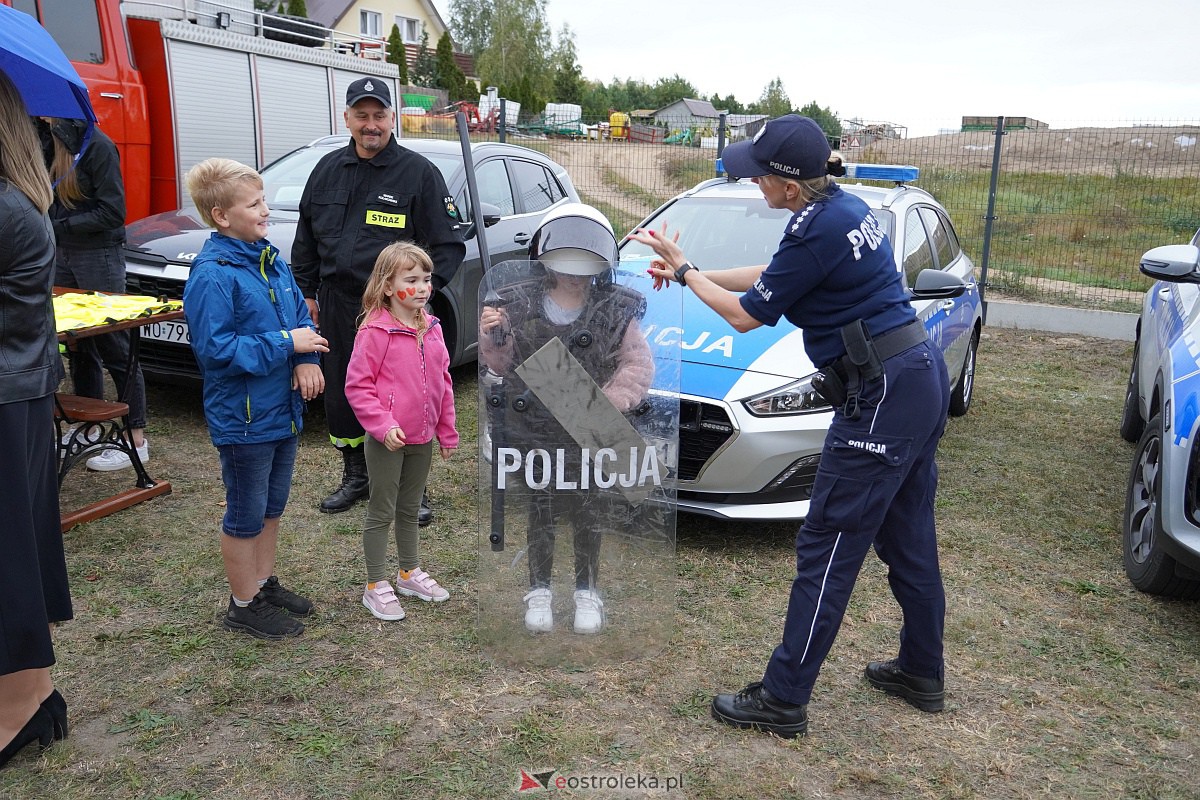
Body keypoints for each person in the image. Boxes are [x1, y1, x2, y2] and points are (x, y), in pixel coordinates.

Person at [629, 115, 951, 738]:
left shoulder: (816, 224)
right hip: (915, 377)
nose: (754, 184)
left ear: (790, 185)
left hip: (883, 393)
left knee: (827, 546)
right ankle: (921, 670)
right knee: (908, 535)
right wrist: (693, 270)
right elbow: (771, 275)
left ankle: (783, 698)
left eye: (760, 176)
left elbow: (746, 316)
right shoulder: (840, 209)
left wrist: (688, 276)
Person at [292, 76, 465, 520]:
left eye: (379, 115)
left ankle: (409, 486)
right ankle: (357, 475)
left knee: (401, 395)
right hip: (337, 304)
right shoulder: (326, 170)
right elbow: (305, 239)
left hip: (394, 313)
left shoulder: (418, 174)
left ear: (393, 118)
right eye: (361, 115)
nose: (371, 124)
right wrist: (307, 292)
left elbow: (448, 246)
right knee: (343, 392)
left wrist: (415, 297)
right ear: (347, 118)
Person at [479, 203, 654, 634]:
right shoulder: (516, 303)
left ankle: (586, 592)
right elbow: (499, 364)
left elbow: (637, 364)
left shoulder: (616, 309)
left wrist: (607, 402)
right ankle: (539, 590)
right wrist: (493, 333)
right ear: (545, 261)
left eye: (585, 265)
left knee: (588, 511)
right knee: (540, 509)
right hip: (534, 429)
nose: (575, 274)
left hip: (590, 430)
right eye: (565, 263)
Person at [183, 157, 329, 640]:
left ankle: (262, 585)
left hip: (280, 410)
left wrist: (306, 357)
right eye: (254, 204)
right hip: (243, 418)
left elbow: (299, 317)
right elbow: (216, 351)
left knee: (271, 506)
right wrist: (287, 345)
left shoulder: (270, 259)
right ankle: (243, 604)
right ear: (222, 216)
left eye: (264, 200)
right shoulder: (213, 275)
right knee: (246, 513)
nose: (266, 210)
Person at [0, 70, 72, 768]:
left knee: (9, 553)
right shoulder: (16, 199)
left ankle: (18, 709)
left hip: (8, 395)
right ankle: (36, 695)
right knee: (15, 544)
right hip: (16, 390)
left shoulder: (5, 206)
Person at [345, 242, 458, 621]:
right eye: (412, 280)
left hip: (422, 439)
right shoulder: (375, 332)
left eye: (426, 279)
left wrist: (446, 430)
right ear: (388, 286)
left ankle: (408, 572)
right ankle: (375, 584)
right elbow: (358, 387)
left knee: (410, 508)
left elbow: (443, 381)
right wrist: (383, 425)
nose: (422, 287)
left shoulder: (432, 327)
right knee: (382, 510)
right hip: (388, 442)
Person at [43, 118, 150, 471]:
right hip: (63, 251)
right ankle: (88, 430)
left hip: (98, 254)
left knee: (114, 343)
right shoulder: (46, 141)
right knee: (78, 343)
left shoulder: (97, 145)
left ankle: (136, 439)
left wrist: (59, 226)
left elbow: (113, 211)